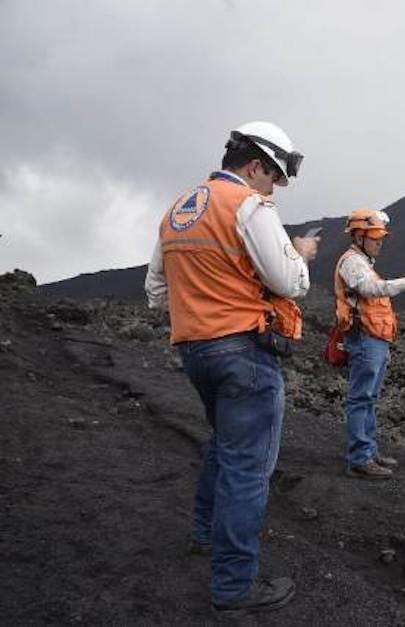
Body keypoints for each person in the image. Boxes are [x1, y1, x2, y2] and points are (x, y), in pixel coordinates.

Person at [144, 121, 318, 616]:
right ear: (256, 165)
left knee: (223, 445)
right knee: (247, 468)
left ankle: (204, 534)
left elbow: (156, 294)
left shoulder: (178, 209)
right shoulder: (248, 205)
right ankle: (233, 587)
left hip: (194, 351)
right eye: (275, 178)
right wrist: (299, 255)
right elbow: (290, 281)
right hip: (244, 353)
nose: (275, 188)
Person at [333, 208, 405, 479]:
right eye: (375, 238)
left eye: (380, 238)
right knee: (361, 398)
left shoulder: (363, 262)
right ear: (359, 236)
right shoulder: (352, 263)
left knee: (369, 398)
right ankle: (359, 459)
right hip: (364, 338)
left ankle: (369, 451)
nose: (380, 242)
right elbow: (370, 290)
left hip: (375, 338)